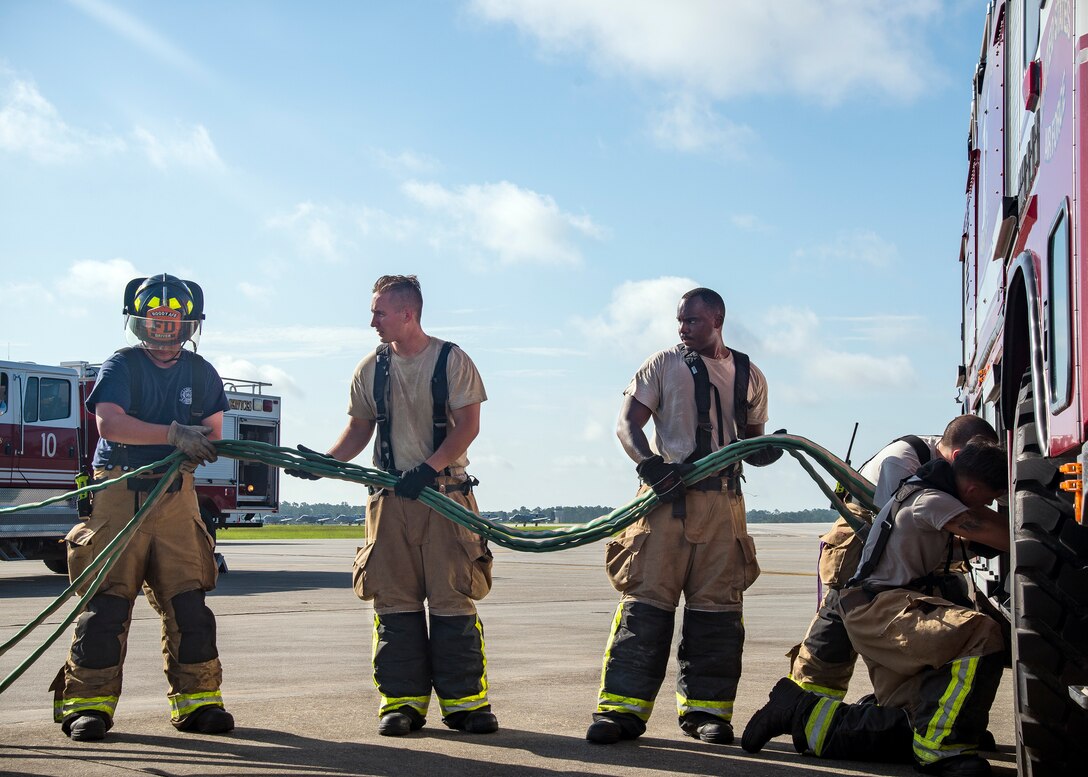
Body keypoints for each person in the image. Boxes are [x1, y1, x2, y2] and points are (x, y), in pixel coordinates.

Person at [290, 274, 496, 737]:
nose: (372, 322)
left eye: (379, 312)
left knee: (451, 600)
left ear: (408, 313)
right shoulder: (371, 367)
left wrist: (429, 467)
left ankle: (467, 706)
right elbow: (359, 430)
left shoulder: (452, 360)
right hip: (389, 501)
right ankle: (401, 704)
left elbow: (468, 425)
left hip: (445, 498)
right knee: (394, 602)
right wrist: (324, 464)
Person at [742, 438, 1009, 777]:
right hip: (879, 609)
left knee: (913, 724)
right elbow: (1003, 535)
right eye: (988, 499)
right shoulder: (932, 500)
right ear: (972, 490)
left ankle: (798, 711)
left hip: (878, 607)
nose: (988, 506)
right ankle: (943, 752)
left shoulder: (923, 491)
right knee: (982, 632)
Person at [586, 287, 782, 746]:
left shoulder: (750, 375)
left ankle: (706, 714)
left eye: (692, 320)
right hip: (664, 502)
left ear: (717, 318)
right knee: (644, 609)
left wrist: (769, 449)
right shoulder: (662, 364)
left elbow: (753, 442)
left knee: (718, 613)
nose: (682, 328)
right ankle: (620, 713)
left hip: (724, 507)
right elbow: (626, 424)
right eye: (680, 321)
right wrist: (649, 465)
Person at [51, 274, 234, 742]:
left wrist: (197, 443)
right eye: (156, 321)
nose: (164, 330)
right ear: (140, 323)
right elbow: (110, 423)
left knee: (189, 604)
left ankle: (199, 702)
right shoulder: (123, 366)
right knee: (106, 605)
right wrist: (173, 434)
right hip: (120, 494)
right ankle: (87, 705)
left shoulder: (201, 372)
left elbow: (213, 429)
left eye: (173, 322)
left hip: (177, 496)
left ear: (188, 326)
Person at [787, 416, 999, 701]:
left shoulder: (942, 465)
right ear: (960, 456)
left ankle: (907, 705)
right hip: (863, 535)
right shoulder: (902, 462)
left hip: (906, 540)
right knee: (842, 616)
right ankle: (802, 700)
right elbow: (892, 529)